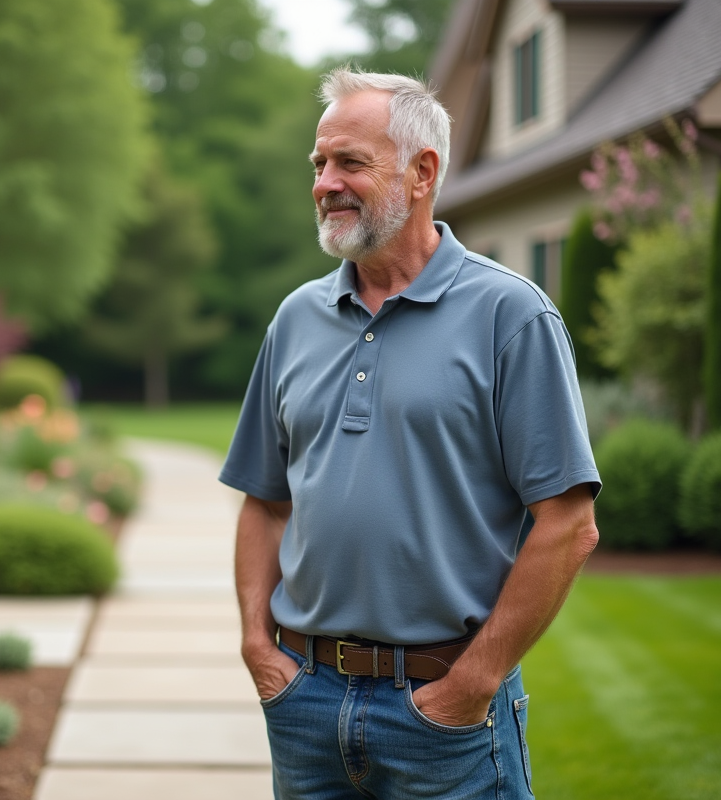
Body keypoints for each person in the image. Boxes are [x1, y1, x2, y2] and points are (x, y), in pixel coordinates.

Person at [218, 67, 601, 800]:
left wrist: (472, 683)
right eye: (319, 163)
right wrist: (258, 651)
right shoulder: (296, 317)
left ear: (422, 171)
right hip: (304, 706)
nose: (325, 181)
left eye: (350, 162)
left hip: (443, 718)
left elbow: (568, 524)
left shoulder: (510, 316)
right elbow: (265, 501)